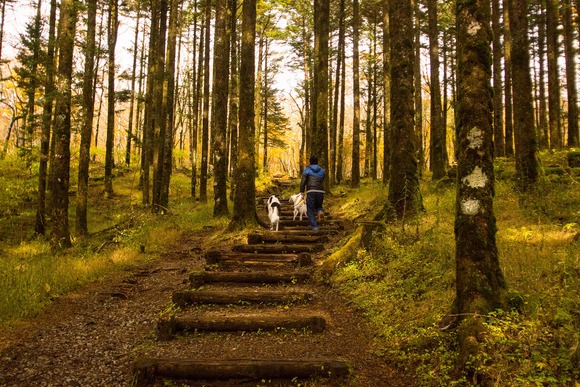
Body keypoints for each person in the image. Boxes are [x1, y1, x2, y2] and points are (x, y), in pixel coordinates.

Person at [300, 155, 325, 230]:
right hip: (321, 191)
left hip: (311, 191)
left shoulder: (307, 170)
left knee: (310, 209)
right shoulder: (322, 170)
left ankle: (315, 226)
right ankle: (320, 212)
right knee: (319, 206)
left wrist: (302, 192)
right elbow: (322, 180)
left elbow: (303, 182)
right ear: (317, 162)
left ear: (310, 162)